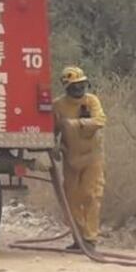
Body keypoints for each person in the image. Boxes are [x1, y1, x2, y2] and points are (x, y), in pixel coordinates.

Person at [53, 66, 107, 249]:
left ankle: (90, 238)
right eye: (74, 86)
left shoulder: (91, 101)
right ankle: (79, 237)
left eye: (81, 85)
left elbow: (100, 121)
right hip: (71, 160)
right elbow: (52, 131)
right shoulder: (58, 106)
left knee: (91, 196)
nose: (79, 90)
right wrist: (55, 147)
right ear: (67, 88)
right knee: (71, 199)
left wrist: (75, 124)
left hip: (92, 158)